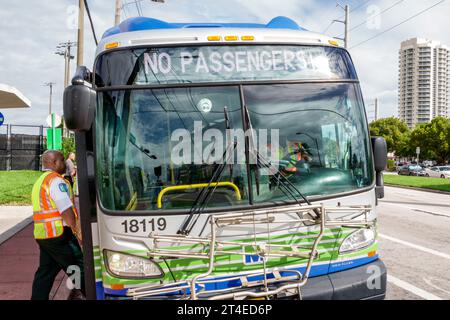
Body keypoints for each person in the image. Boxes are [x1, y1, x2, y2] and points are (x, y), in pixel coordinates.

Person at [31, 150, 85, 300]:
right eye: (62, 160)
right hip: (60, 235)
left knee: (45, 272)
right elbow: (65, 209)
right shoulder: (56, 181)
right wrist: (77, 232)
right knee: (77, 267)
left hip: (45, 235)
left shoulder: (40, 181)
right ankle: (89, 293)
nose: (64, 164)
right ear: (54, 162)